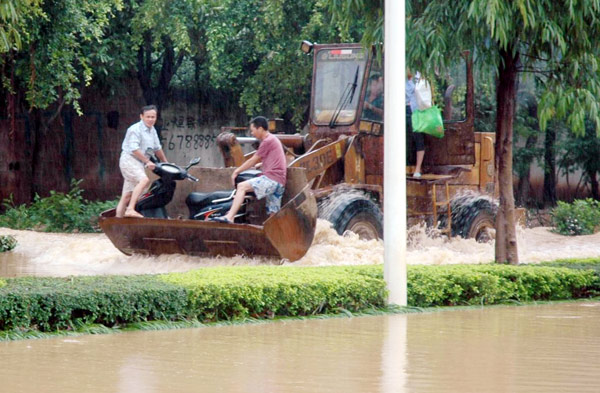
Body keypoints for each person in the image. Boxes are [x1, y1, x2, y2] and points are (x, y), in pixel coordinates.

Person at [212, 116, 286, 224]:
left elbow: (252, 160)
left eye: (252, 130)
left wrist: (236, 171)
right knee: (272, 215)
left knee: (242, 187)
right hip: (280, 182)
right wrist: (263, 164)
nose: (252, 133)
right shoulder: (273, 140)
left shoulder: (267, 141)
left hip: (271, 180)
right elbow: (275, 158)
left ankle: (229, 216)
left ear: (260, 128)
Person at [116, 105, 168, 218]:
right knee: (144, 180)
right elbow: (134, 149)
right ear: (141, 117)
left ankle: (117, 225)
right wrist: (147, 161)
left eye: (153, 117)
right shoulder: (134, 129)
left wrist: (166, 162)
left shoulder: (152, 130)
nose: (150, 119)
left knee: (126, 196)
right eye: (148, 117)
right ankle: (130, 209)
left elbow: (157, 148)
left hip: (138, 162)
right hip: (129, 160)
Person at [407, 69, 425, 178]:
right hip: (404, 109)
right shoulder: (400, 76)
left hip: (417, 111)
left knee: (419, 138)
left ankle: (418, 168)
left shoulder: (419, 75)